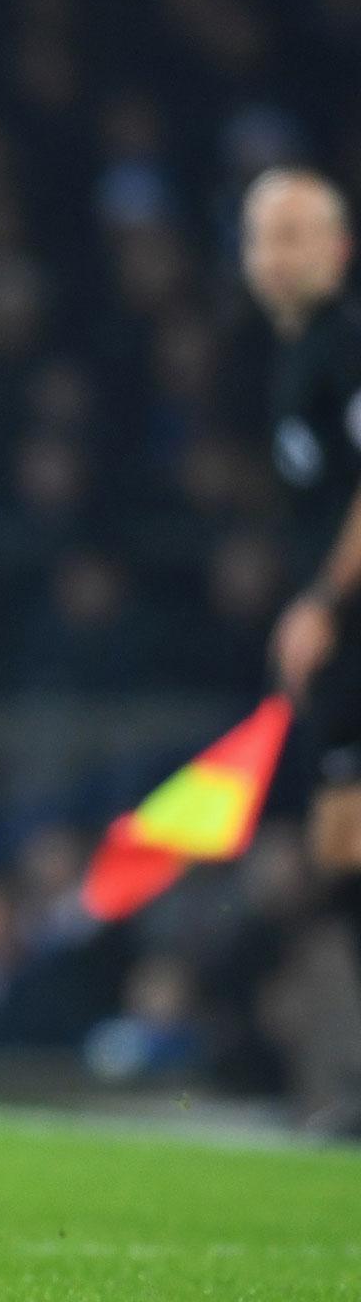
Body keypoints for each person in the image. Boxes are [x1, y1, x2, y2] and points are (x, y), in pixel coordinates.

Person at [243, 166, 361, 1131]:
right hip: (342, 643)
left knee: (346, 843)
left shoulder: (346, 344)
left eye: (293, 234)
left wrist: (321, 599)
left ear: (338, 249)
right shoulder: (292, 357)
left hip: (354, 628)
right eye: (261, 236)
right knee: (339, 848)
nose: (273, 255)